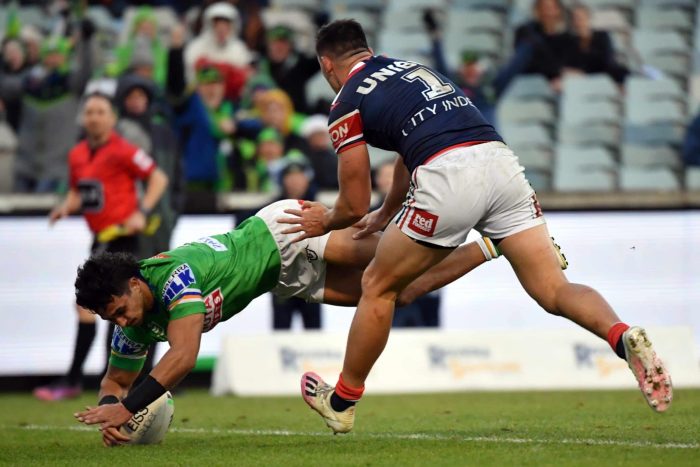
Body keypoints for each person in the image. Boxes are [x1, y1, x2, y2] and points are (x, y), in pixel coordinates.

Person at [277, 20, 673, 434]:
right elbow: (406, 150)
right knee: (553, 289)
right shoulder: (412, 69)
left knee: (379, 285)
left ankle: (341, 402)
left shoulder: (347, 100)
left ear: (326, 64)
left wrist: (328, 218)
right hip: (502, 164)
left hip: (448, 173)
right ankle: (621, 335)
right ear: (366, 48)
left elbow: (352, 203)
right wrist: (386, 210)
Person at [71, 198, 497, 446]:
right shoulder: (132, 322)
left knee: (394, 252)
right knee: (398, 293)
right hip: (280, 278)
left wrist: (130, 407)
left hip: (284, 232)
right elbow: (114, 381)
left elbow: (183, 357)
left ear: (133, 282)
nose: (122, 321)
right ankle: (492, 246)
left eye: (120, 309)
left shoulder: (170, 277)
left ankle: (463, 208)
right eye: (113, 318)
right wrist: (112, 411)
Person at [33, 92, 168, 401]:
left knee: (123, 307)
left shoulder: (125, 150)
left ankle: (116, 380)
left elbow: (158, 178)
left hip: (124, 240)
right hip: (100, 239)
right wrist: (65, 207)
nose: (94, 117)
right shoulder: (77, 154)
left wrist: (142, 212)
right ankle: (87, 379)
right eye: (90, 111)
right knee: (90, 305)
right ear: (83, 117)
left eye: (100, 111)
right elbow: (79, 192)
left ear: (112, 118)